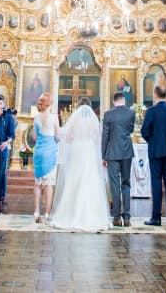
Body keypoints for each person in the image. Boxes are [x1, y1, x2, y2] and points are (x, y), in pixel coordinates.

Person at [50, 96, 110, 231]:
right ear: (90, 106)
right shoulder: (94, 120)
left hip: (77, 150)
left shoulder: (75, 119)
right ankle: (93, 216)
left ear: (79, 106)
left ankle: (69, 214)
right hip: (89, 150)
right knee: (90, 179)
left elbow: (68, 138)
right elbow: (97, 140)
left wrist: (76, 138)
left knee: (74, 179)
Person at [141, 84, 166, 226]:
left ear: (155, 95)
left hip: (155, 152)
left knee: (156, 183)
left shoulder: (151, 111)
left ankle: (156, 217)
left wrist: (152, 141)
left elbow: (144, 131)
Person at [101, 90, 135, 227]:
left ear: (113, 101)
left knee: (114, 185)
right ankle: (127, 217)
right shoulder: (131, 113)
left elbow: (105, 136)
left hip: (112, 153)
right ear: (124, 100)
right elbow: (131, 130)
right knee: (126, 183)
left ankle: (116, 217)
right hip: (126, 152)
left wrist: (103, 155)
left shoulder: (108, 114)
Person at [32, 91, 60, 223]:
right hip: (49, 152)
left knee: (38, 183)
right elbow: (58, 137)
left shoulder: (36, 118)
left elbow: (34, 137)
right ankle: (47, 214)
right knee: (48, 184)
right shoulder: (54, 117)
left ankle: (36, 212)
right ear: (50, 103)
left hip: (38, 151)